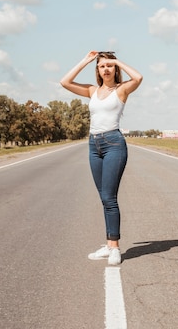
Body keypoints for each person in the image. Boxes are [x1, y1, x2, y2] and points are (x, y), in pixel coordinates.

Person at [60, 51, 143, 265]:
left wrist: (117, 61)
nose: (106, 69)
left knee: (109, 197)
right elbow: (65, 81)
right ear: (97, 70)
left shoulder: (122, 90)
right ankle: (108, 245)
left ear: (115, 69)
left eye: (109, 66)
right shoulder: (92, 91)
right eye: (101, 66)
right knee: (104, 198)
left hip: (114, 143)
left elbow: (139, 78)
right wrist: (86, 61)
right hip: (93, 144)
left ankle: (114, 248)